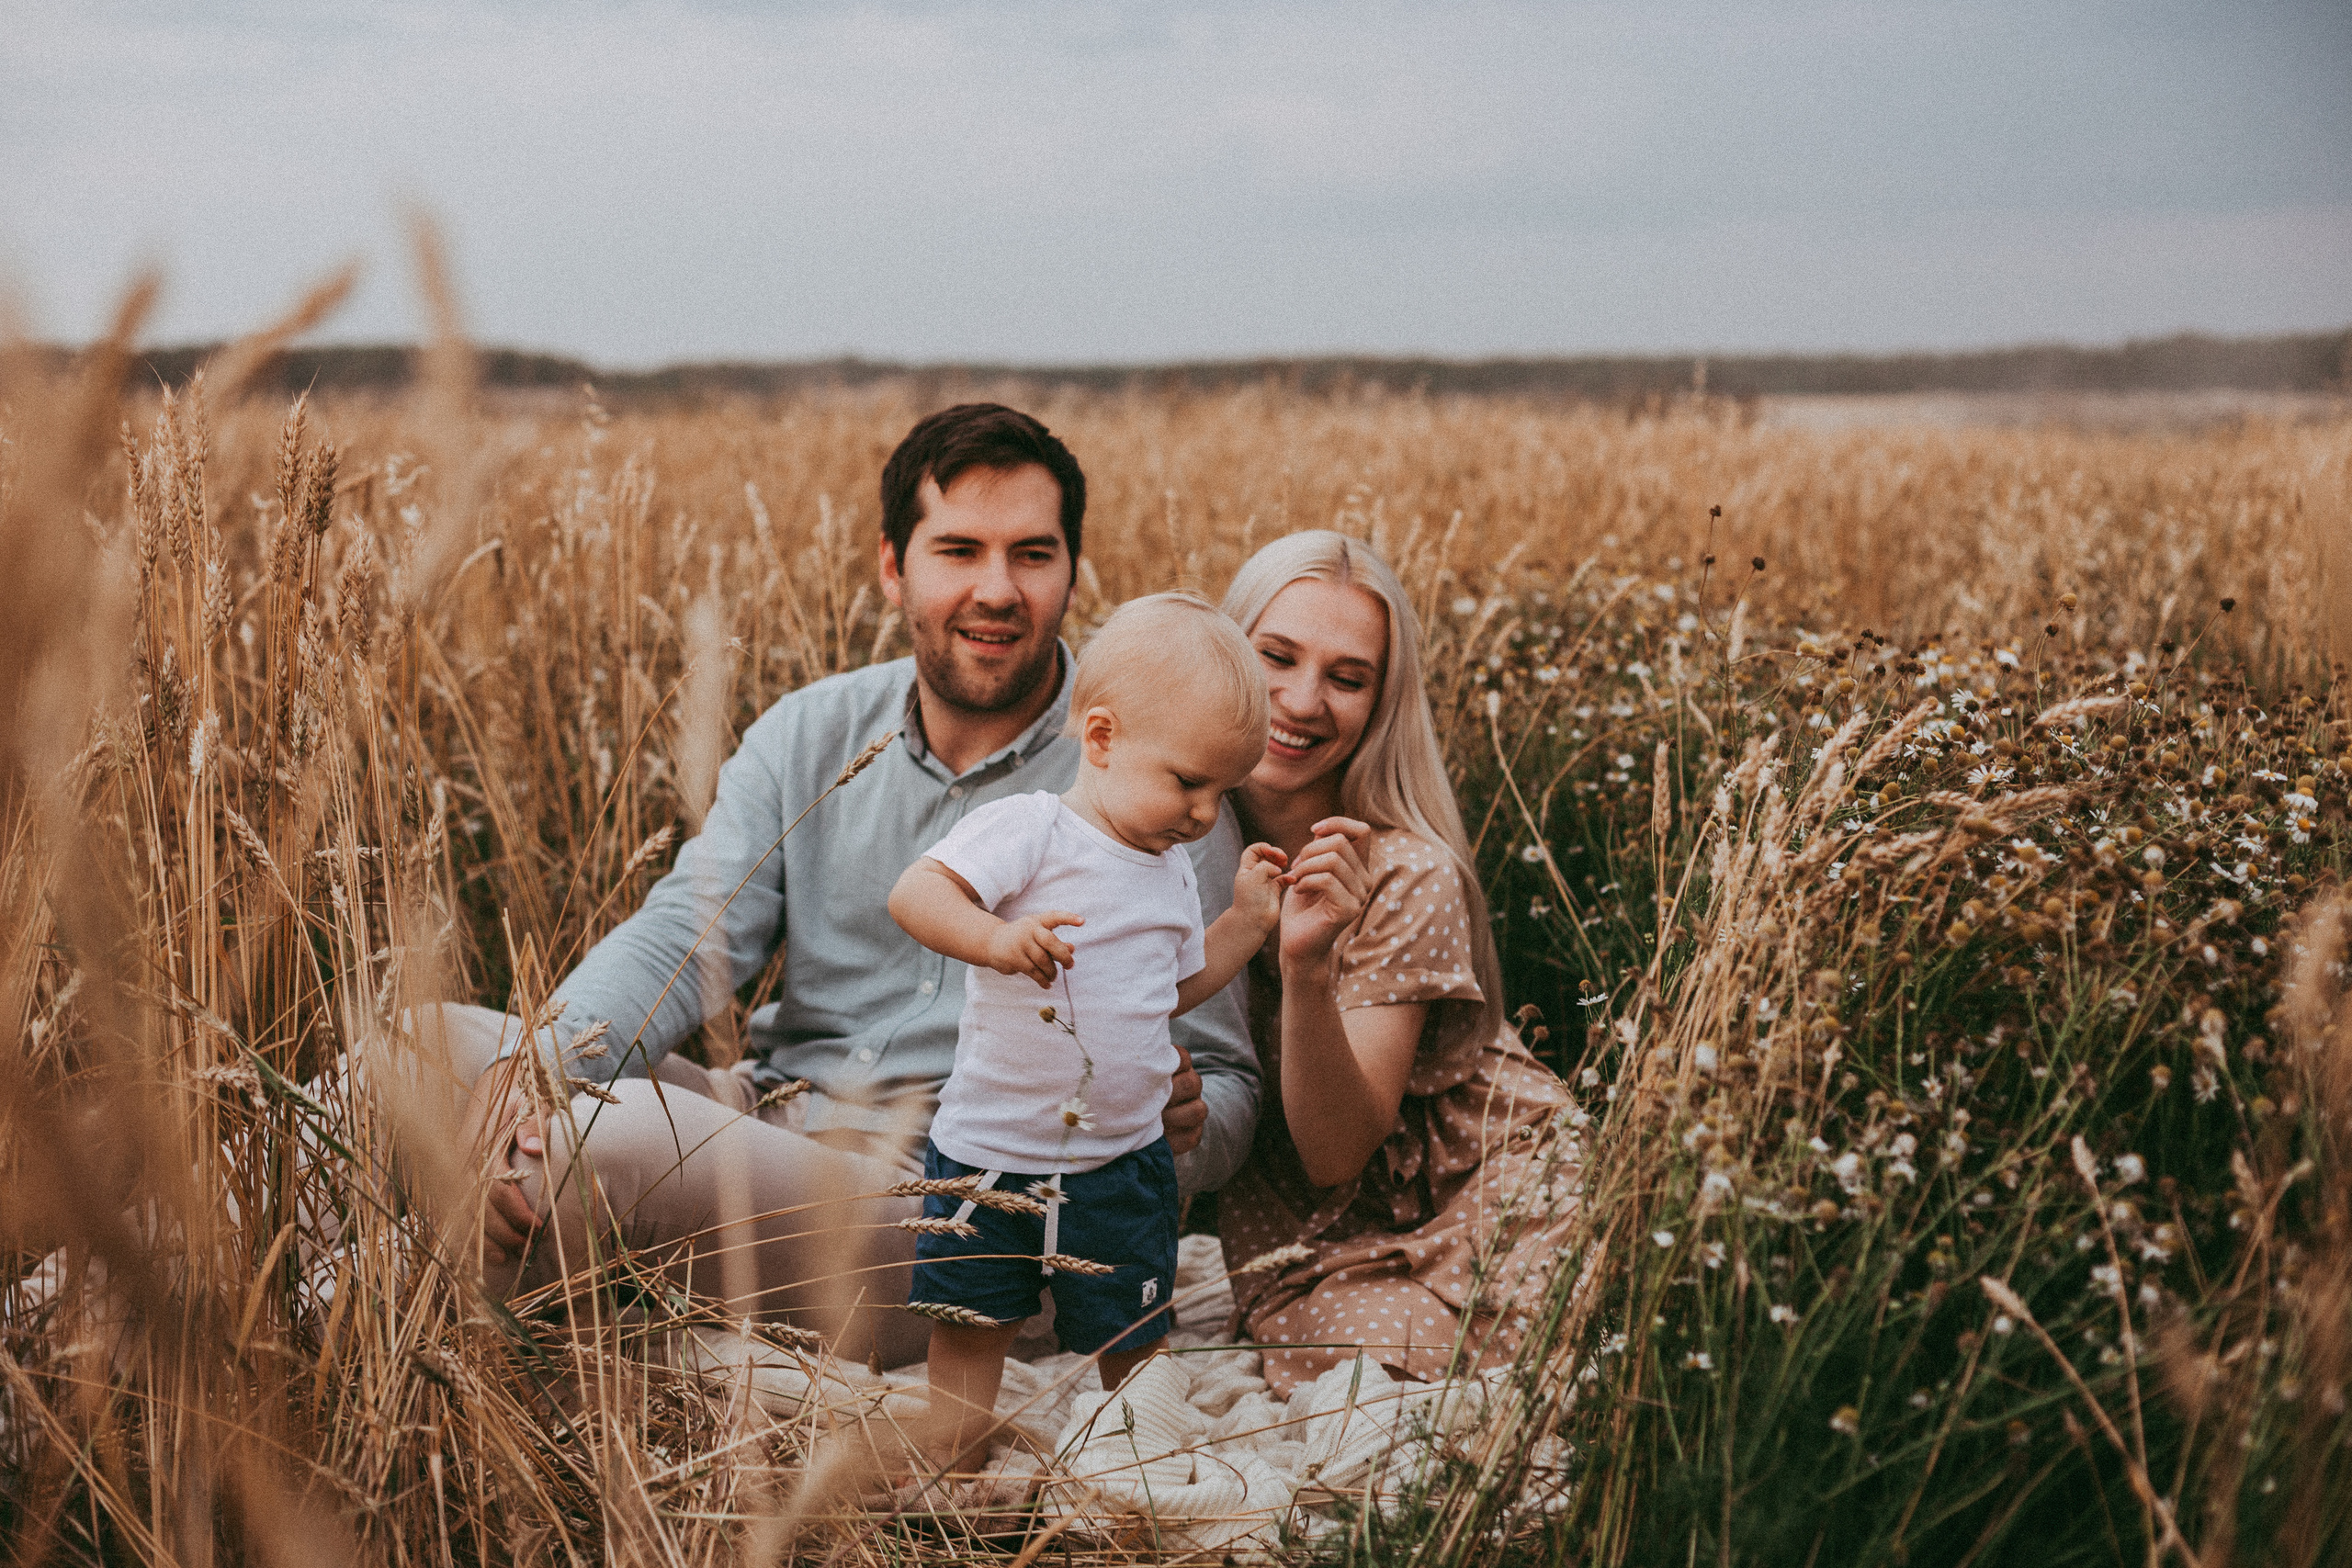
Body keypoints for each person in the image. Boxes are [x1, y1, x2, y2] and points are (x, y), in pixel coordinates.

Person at [427, 404, 1261, 1367]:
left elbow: (1228, 1083)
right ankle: (254, 1355)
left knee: (579, 1151)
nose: (997, 589)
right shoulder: (812, 732)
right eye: (958, 550)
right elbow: (688, 935)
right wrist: (537, 1065)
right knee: (417, 1052)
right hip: (769, 1111)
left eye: (1032, 554)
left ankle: (404, 1421)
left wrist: (1178, 1126)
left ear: (1072, 573)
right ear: (892, 567)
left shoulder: (1159, 787)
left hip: (956, 1204)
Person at [886, 592, 1286, 1464]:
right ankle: (953, 1451)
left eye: (1223, 791)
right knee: (970, 1318)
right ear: (1102, 740)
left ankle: (1133, 1451)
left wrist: (1244, 927)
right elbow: (916, 893)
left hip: (1122, 1159)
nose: (1205, 814)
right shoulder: (1031, 829)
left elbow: (1170, 990)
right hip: (992, 1150)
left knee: (1134, 1326)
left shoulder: (1171, 871)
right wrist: (994, 938)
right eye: (1188, 781)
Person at [1211, 530, 1577, 1398]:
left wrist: (1307, 967)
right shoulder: (1170, 837)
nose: (1301, 701)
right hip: (1306, 1238)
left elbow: (1338, 1148)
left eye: (1347, 677)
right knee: (1317, 1341)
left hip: (1487, 1191)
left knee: (1545, 1353)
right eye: (1276, 656)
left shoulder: (1403, 870)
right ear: (1226, 654)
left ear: (1382, 703)